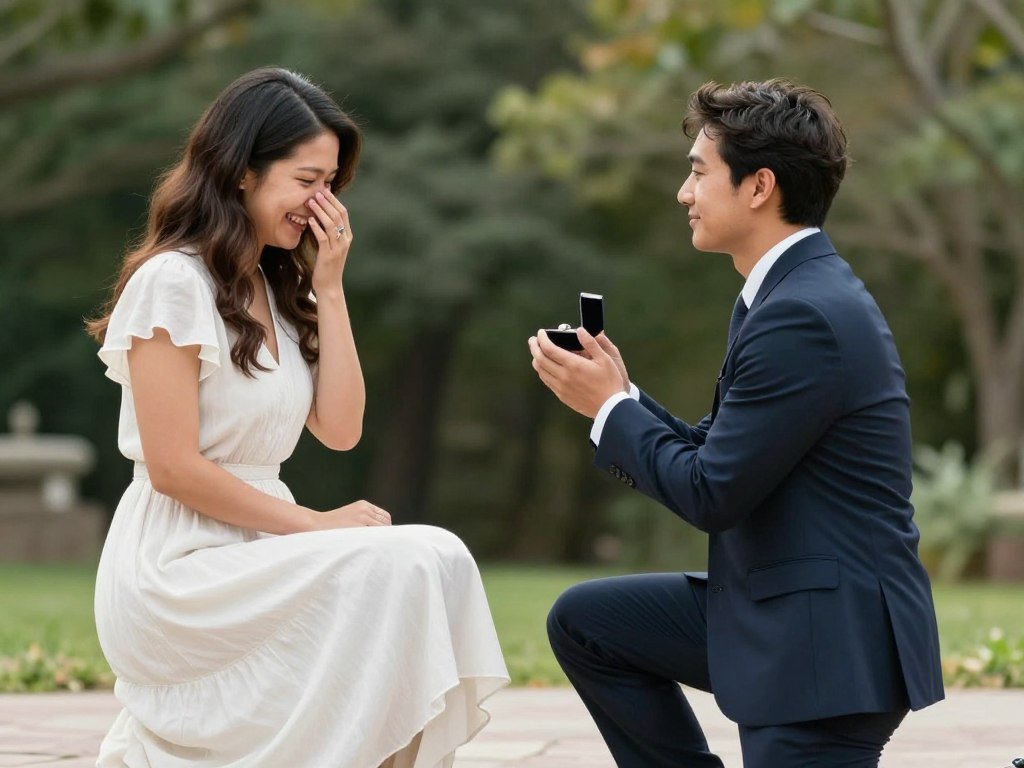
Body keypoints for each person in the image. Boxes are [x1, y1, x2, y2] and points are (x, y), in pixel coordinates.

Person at [87, 67, 508, 768]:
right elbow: (172, 467)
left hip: (259, 544)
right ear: (243, 173)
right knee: (404, 564)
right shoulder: (173, 282)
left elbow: (340, 431)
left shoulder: (277, 287)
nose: (324, 203)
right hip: (175, 565)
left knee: (438, 556)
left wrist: (330, 291)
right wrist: (315, 524)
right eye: (307, 180)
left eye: (332, 184)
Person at [527, 79, 944, 767]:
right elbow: (726, 455)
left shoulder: (801, 314)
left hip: (828, 652)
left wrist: (610, 408)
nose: (683, 193)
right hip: (788, 612)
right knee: (588, 623)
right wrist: (623, 394)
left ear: (759, 187)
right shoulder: (783, 295)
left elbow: (711, 493)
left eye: (698, 172)